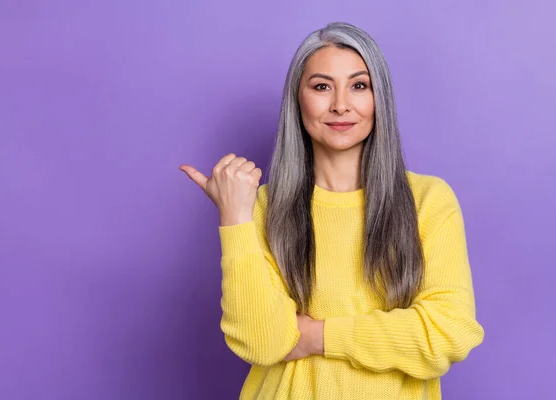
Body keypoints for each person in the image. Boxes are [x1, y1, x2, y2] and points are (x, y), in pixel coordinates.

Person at [179, 21, 484, 400]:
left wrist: (317, 336)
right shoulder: (260, 208)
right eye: (322, 86)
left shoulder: (428, 200)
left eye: (359, 86)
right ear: (298, 100)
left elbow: (449, 331)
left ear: (379, 99)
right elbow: (261, 343)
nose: (341, 104)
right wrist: (234, 218)